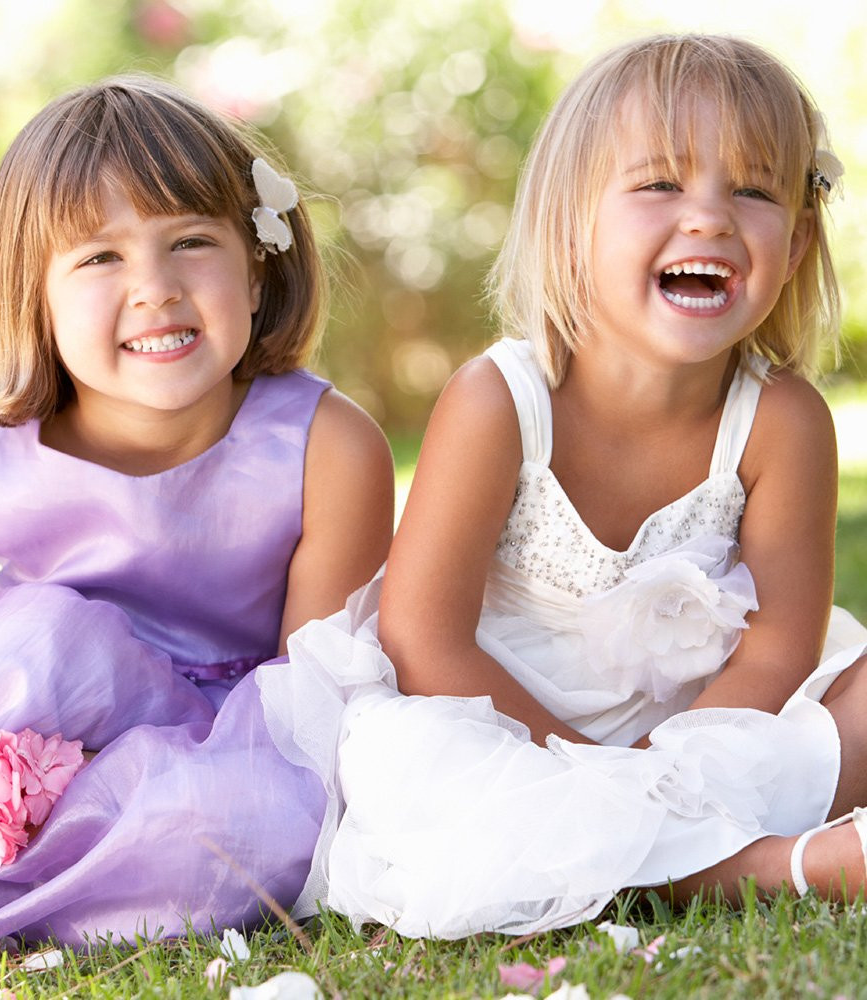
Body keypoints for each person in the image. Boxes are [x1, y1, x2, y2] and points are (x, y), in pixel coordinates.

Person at [256, 33, 867, 938]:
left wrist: (664, 770)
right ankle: (760, 869)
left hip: (698, 718)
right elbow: (423, 635)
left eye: (753, 189)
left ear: (799, 235)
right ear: (572, 221)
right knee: (406, 760)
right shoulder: (500, 399)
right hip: (501, 719)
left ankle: (639, 851)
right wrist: (586, 771)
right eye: (661, 184)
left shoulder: (783, 419)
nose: (709, 218)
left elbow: (781, 643)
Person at [0, 75, 393, 970]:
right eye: (100, 258)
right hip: (39, 718)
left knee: (269, 817)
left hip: (220, 742)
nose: (154, 289)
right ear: (35, 295)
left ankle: (17, 881)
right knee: (38, 637)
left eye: (190, 242)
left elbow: (311, 700)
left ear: (259, 267)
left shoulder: (325, 445)